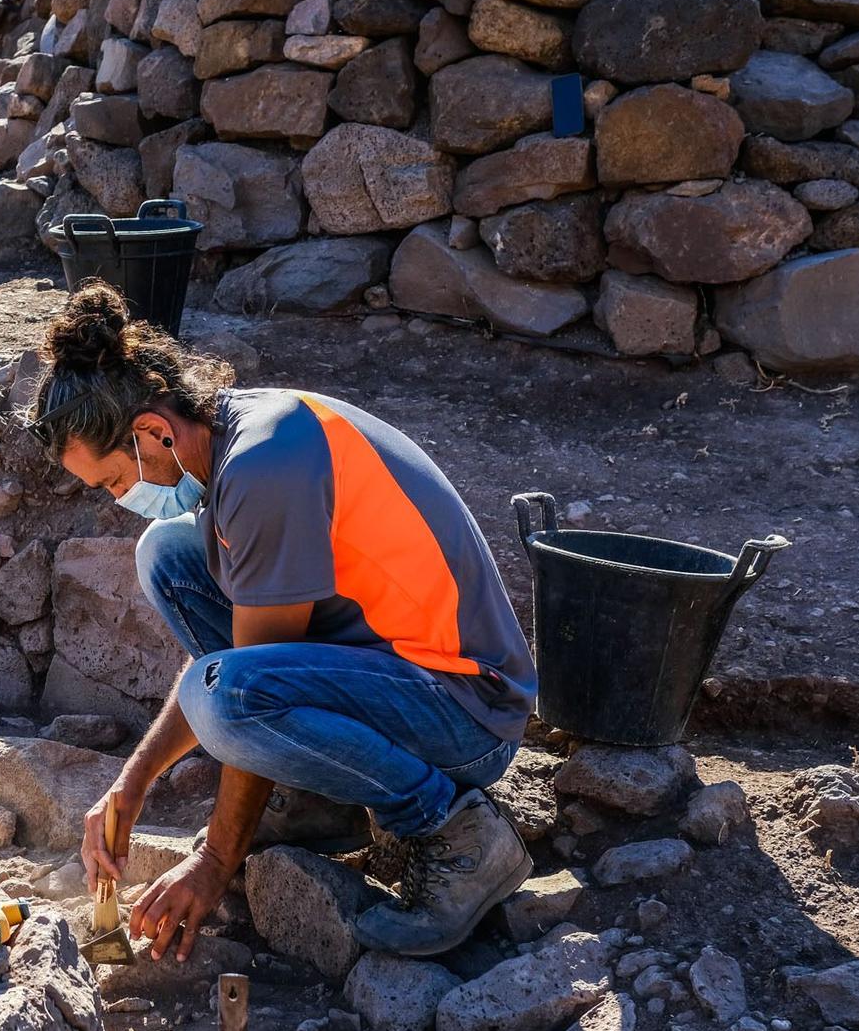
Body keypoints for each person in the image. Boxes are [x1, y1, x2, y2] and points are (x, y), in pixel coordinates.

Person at [27, 283, 537, 961]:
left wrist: (214, 859)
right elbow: (247, 658)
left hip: (468, 709)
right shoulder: (230, 438)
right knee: (170, 554)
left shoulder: (264, 471)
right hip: (392, 663)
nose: (121, 500)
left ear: (153, 431)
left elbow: (237, 688)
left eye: (114, 481)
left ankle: (456, 834)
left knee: (225, 701)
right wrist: (132, 783)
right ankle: (319, 793)